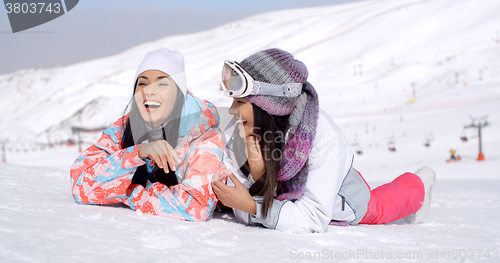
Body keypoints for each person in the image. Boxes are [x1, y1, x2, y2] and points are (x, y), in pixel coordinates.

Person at [211, 48, 436, 233]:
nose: (232, 110)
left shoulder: (321, 136)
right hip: (305, 191)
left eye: (240, 103)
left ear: (268, 107)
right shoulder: (245, 128)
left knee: (378, 206)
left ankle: (419, 188)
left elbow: (311, 217)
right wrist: (257, 178)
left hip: (342, 197)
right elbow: (232, 184)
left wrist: (251, 207)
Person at [71, 48, 227, 221]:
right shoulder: (124, 127)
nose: (149, 91)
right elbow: (81, 186)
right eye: (143, 83)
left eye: (162, 83)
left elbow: (196, 206)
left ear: (179, 93)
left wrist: (127, 191)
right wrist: (138, 153)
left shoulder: (203, 133)